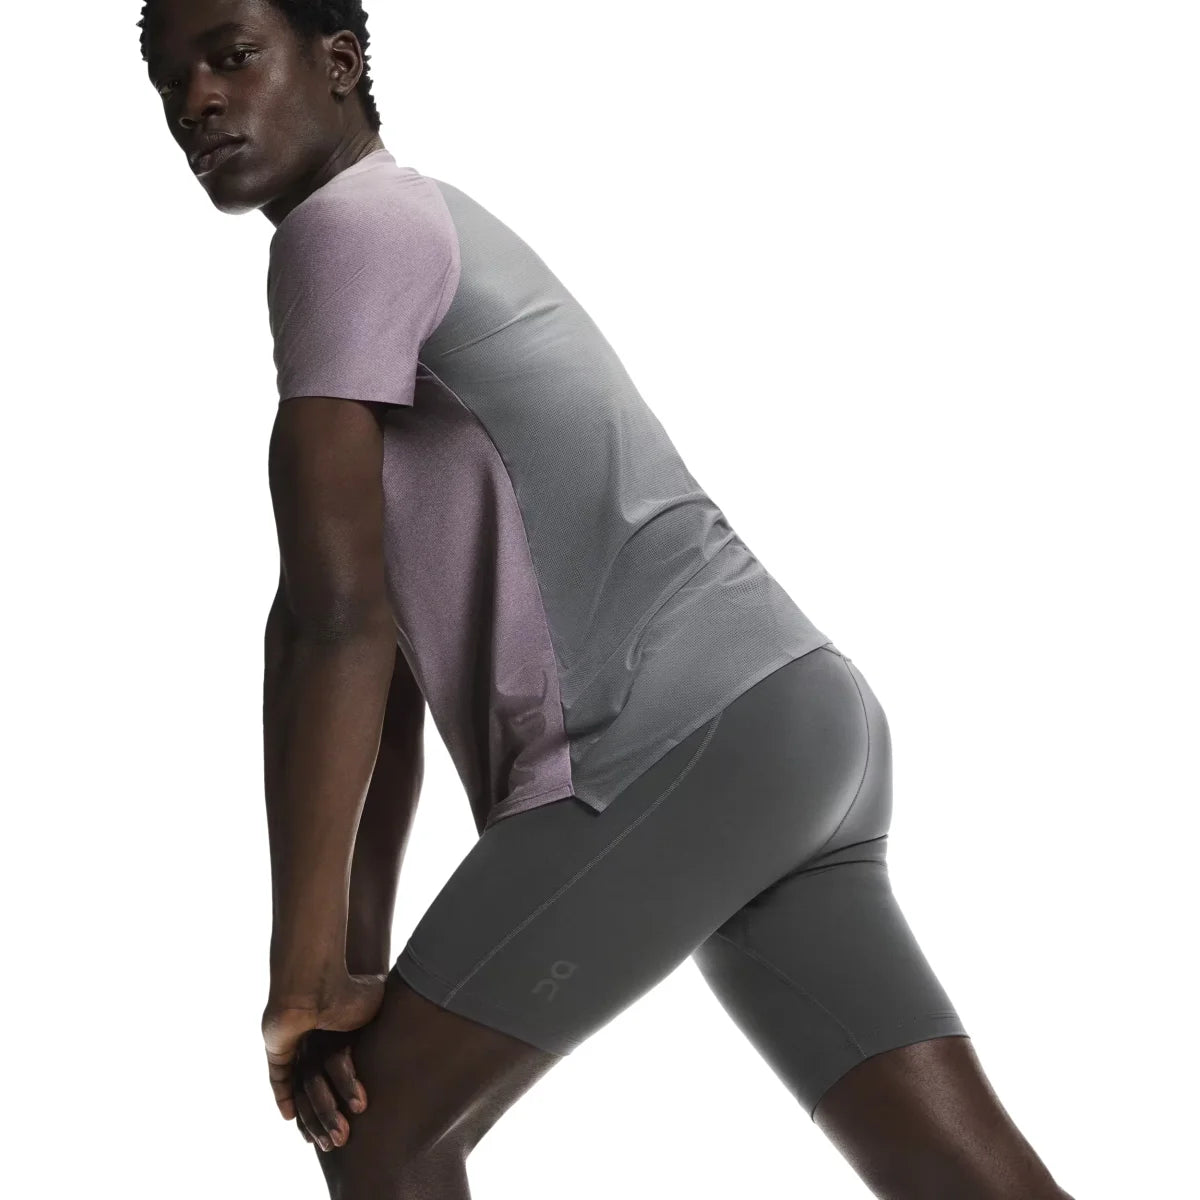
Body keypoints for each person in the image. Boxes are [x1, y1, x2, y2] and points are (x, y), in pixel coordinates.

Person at [139, 2, 1077, 1197]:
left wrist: (302, 971)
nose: (196, 102)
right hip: (793, 723)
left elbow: (327, 630)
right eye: (169, 80)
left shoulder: (345, 233)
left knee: (380, 1133)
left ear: (339, 63)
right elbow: (377, 671)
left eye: (231, 56)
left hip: (676, 740)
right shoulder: (413, 226)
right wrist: (345, 964)